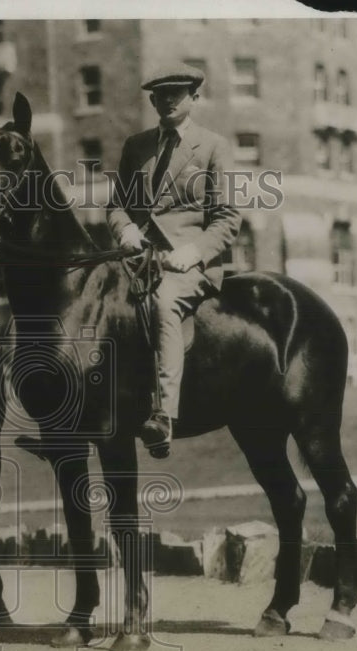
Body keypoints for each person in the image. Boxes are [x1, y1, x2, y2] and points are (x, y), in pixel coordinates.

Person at [106, 63, 241, 455]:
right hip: (138, 258)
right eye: (160, 95)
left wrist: (194, 251)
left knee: (162, 303)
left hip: (188, 263)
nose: (167, 101)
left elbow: (228, 217)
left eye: (176, 94)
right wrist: (126, 229)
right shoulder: (137, 146)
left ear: (194, 98)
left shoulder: (214, 146)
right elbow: (117, 207)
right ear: (152, 100)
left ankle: (163, 416)